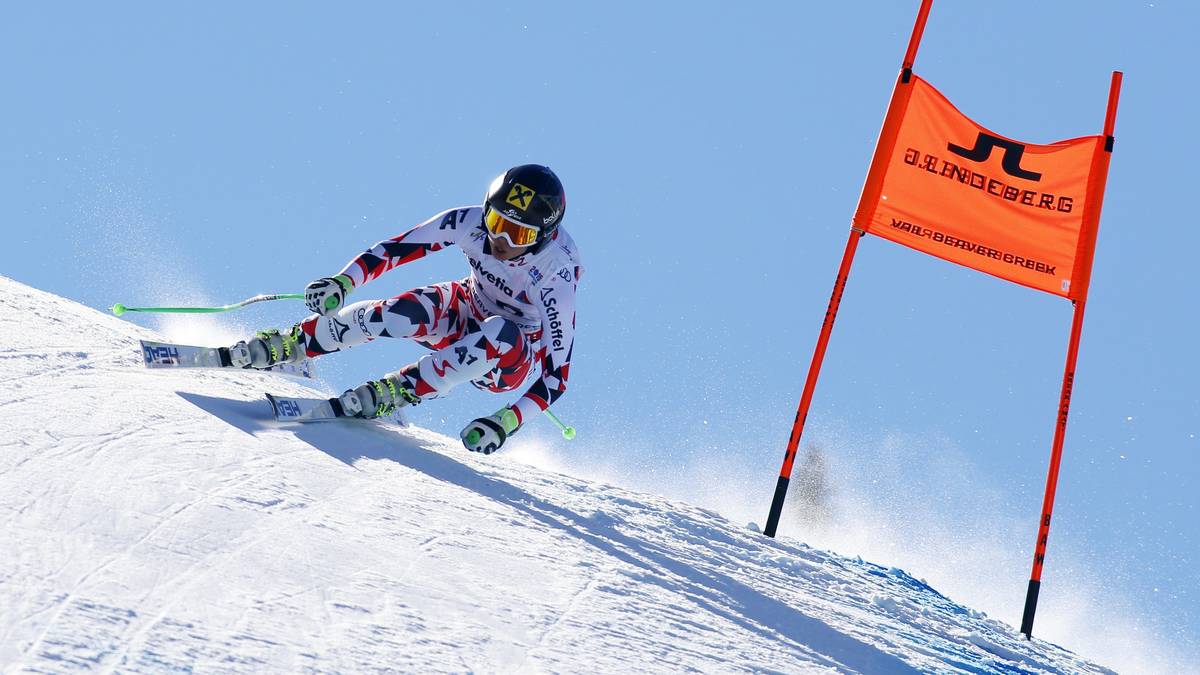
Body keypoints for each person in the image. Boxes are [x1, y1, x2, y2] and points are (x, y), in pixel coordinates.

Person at [227, 164, 581, 454]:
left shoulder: (554, 277)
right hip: (466, 306)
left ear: (543, 239)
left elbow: (555, 378)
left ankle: (399, 390)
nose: (500, 242)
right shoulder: (468, 222)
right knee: (397, 314)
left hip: (508, 358)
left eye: (518, 236)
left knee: (500, 331)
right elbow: (397, 249)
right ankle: (297, 344)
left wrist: (505, 421)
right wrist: (343, 283)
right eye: (497, 225)